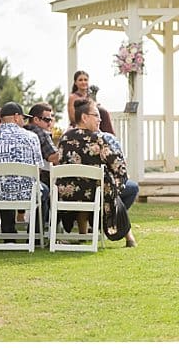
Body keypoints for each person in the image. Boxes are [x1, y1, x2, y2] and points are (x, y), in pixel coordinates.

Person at [57, 99, 137, 247]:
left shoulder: (64, 138)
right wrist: (117, 183)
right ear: (84, 117)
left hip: (69, 194)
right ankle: (128, 237)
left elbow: (60, 162)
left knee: (92, 188)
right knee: (115, 189)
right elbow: (119, 167)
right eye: (96, 115)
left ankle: (83, 233)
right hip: (97, 194)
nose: (100, 119)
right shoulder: (100, 139)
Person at [0, 102, 45, 237]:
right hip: (27, 193)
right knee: (45, 191)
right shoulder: (32, 138)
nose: (24, 121)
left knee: (2, 184)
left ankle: (8, 234)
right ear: (16, 117)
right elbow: (38, 169)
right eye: (23, 118)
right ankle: (35, 236)